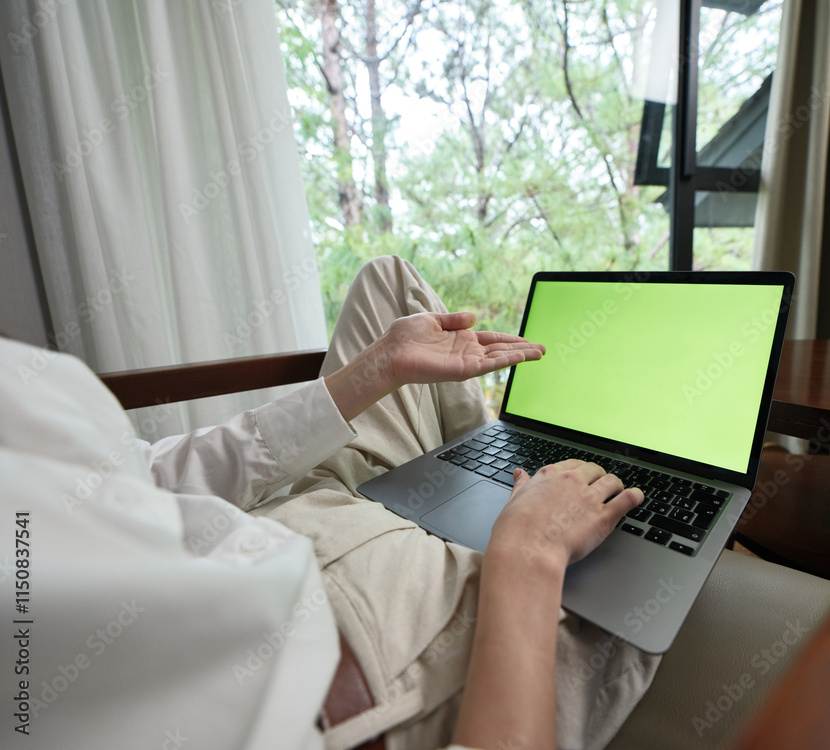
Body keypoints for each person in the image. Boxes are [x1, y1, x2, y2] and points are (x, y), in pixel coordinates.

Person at [1, 256, 660, 750]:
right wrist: (529, 552)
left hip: (287, 520)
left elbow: (145, 474)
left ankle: (490, 466)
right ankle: (497, 477)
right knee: (646, 542)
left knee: (388, 279)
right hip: (369, 653)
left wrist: (376, 370)